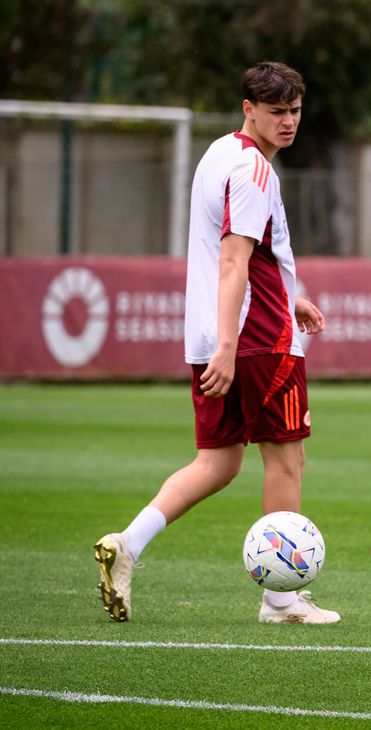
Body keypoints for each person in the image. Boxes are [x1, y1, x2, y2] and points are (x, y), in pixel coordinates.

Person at [94, 61, 339, 625]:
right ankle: (281, 600)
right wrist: (232, 344)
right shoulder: (254, 170)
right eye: (277, 111)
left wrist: (287, 292)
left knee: (219, 462)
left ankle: (126, 545)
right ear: (248, 109)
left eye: (296, 111)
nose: (289, 121)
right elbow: (233, 258)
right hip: (257, 340)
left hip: (214, 331)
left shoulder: (219, 153)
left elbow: (238, 253)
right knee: (287, 459)